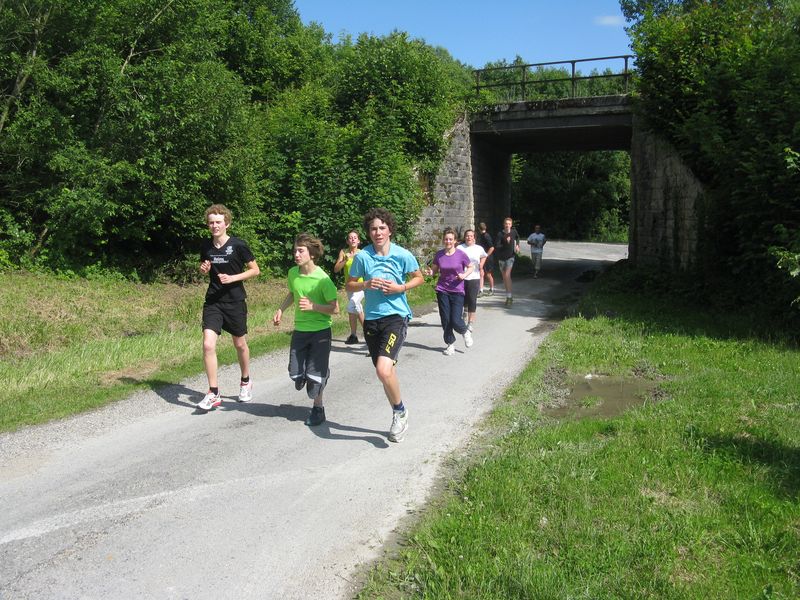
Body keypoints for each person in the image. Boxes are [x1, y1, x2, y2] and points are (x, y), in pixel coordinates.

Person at [346, 208, 424, 443]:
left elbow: (419, 277)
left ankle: (400, 412)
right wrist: (366, 284)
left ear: (390, 230)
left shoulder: (402, 255)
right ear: (368, 232)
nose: (378, 232)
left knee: (382, 370)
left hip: (396, 317)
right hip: (372, 319)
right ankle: (398, 414)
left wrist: (401, 288)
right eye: (373, 229)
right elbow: (349, 285)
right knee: (386, 372)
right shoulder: (362, 257)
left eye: (382, 227)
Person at [198, 204, 261, 411]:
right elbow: (204, 268)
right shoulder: (206, 246)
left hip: (234, 301)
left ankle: (245, 381)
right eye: (211, 223)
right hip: (213, 301)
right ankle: (213, 392)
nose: (214, 226)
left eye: (218, 222)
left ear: (227, 223)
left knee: (239, 344)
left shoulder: (238, 245)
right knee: (208, 345)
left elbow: (255, 270)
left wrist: (233, 278)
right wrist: (203, 269)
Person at [273, 233, 340, 427]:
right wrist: (281, 310)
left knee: (314, 381)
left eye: (300, 251)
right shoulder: (293, 273)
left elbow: (335, 309)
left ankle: (318, 408)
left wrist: (313, 306)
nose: (296, 254)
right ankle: (314, 374)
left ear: (312, 254)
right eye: (295, 250)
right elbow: (292, 293)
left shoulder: (323, 279)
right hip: (300, 330)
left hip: (321, 331)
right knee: (295, 374)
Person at [424, 228, 475, 355]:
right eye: (446, 239)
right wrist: (430, 272)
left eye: (451, 239)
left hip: (457, 291)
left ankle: (465, 332)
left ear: (455, 241)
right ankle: (450, 344)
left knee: (455, 320)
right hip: (442, 290)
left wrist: (464, 275)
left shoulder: (461, 254)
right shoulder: (439, 255)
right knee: (445, 319)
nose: (448, 241)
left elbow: (471, 267)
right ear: (443, 240)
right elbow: (434, 270)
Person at [333, 230, 365, 345]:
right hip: (350, 286)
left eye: (355, 237)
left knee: (352, 305)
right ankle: (362, 334)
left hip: (361, 285)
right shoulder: (344, 252)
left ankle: (356, 334)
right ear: (347, 241)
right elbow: (336, 269)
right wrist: (345, 260)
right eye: (350, 238)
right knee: (357, 308)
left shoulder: (362, 253)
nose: (353, 239)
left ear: (358, 241)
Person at [457, 229, 487, 332]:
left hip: (474, 277)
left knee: (472, 299)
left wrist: (481, 265)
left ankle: (470, 323)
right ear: (464, 237)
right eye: (467, 236)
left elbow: (484, 256)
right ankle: (464, 312)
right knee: (463, 298)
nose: (469, 237)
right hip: (462, 276)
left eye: (471, 236)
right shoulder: (459, 248)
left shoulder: (479, 248)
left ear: (474, 237)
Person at [494, 217, 520, 307]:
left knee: (507, 275)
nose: (507, 225)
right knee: (505, 278)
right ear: (504, 224)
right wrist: (505, 242)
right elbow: (497, 246)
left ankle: (509, 297)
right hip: (501, 258)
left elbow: (517, 238)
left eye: (509, 224)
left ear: (511, 225)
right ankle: (508, 295)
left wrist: (517, 245)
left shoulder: (514, 232)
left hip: (510, 257)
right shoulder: (500, 234)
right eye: (506, 224)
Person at [477, 222, 496, 295]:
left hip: (488, 258)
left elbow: (492, 248)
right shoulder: (482, 235)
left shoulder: (486, 236)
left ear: (479, 228)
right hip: (482, 257)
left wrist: (486, 255)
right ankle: (481, 290)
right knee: (481, 273)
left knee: (488, 274)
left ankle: (492, 289)